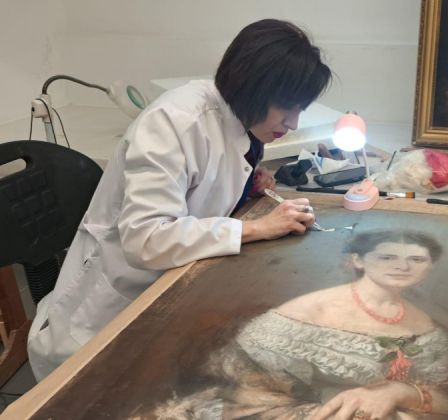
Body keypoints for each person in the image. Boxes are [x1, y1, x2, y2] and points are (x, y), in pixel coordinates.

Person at [27, 19, 332, 381]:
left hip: (175, 290)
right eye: (288, 107)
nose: (293, 123)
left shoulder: (241, 118)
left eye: (300, 109)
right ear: (254, 87)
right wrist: (256, 228)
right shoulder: (174, 122)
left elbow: (204, 182)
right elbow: (146, 239)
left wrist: (244, 187)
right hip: (110, 312)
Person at [146, 230, 448, 419]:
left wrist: (396, 393)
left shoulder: (426, 326)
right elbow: (244, 395)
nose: (403, 267)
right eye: (387, 256)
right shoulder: (308, 312)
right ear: (358, 261)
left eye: (416, 259)